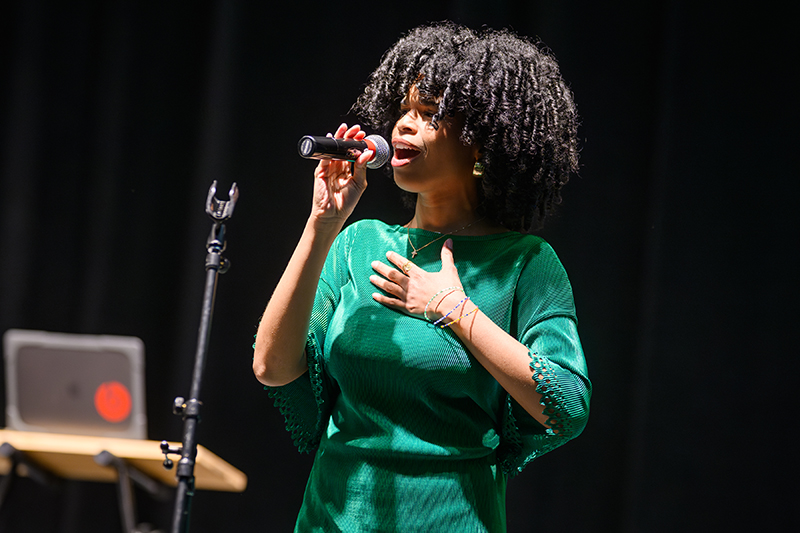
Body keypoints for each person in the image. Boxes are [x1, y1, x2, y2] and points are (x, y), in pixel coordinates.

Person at [253, 21, 591, 532]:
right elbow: (272, 367)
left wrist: (454, 310)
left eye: (428, 115)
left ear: (481, 145)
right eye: (404, 110)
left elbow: (565, 405)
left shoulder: (524, 262)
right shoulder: (357, 243)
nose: (403, 126)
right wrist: (322, 223)